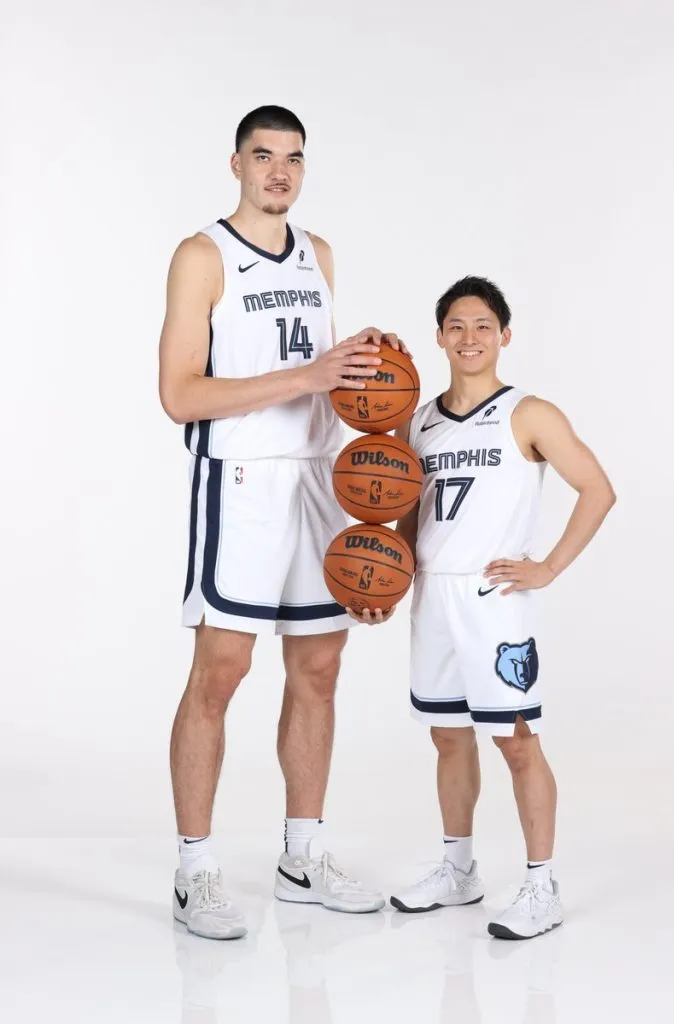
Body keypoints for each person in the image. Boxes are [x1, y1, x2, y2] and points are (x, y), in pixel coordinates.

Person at [159, 105, 401, 939]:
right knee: (221, 672)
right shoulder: (202, 256)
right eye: (263, 156)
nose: (279, 172)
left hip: (319, 481)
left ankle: (301, 857)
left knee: (320, 671)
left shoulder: (319, 255)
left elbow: (331, 377)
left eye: (293, 158)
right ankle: (195, 870)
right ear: (235, 163)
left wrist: (374, 367)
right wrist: (307, 374)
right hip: (240, 480)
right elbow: (179, 395)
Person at [349, 276, 616, 939]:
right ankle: (457, 870)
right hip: (433, 595)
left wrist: (547, 567)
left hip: (496, 598)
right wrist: (391, 581)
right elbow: (410, 511)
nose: (469, 338)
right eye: (456, 327)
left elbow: (597, 489)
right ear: (439, 337)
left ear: (503, 335)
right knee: (446, 736)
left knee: (516, 742)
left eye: (482, 326)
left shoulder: (529, 413)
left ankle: (539, 884)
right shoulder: (421, 419)